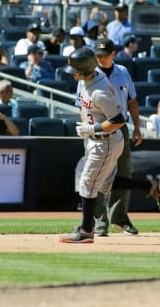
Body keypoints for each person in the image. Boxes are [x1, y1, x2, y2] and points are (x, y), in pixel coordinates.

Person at [59, 47, 125, 243]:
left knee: (87, 183)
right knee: (102, 184)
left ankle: (87, 230)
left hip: (105, 140)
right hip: (98, 141)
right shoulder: (91, 80)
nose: (72, 74)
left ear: (86, 71)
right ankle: (149, 187)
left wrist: (92, 129)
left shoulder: (99, 91)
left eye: (76, 71)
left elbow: (119, 119)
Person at [91, 38, 144, 236]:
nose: (101, 58)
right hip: (98, 128)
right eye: (98, 55)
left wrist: (137, 128)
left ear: (113, 54)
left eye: (105, 55)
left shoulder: (122, 72)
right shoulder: (88, 73)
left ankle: (119, 218)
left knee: (122, 174)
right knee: (96, 175)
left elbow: (132, 102)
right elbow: (81, 106)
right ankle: (98, 221)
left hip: (121, 128)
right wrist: (90, 128)